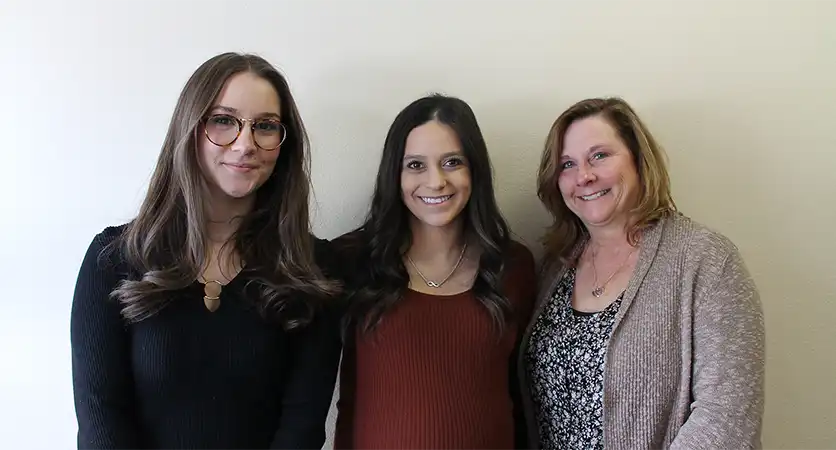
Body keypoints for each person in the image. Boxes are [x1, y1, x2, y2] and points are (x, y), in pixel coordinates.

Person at [69, 52, 342, 450]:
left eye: (265, 126)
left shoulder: (312, 268)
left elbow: (302, 427)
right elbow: (101, 418)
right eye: (224, 120)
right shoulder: (113, 259)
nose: (246, 143)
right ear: (190, 129)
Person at [519, 97, 765, 449]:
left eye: (600, 155)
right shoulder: (555, 266)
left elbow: (728, 418)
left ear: (637, 158)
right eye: (567, 164)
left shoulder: (706, 260)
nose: (584, 176)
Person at [332, 94, 537, 450]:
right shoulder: (350, 260)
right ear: (394, 174)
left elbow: (519, 396)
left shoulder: (512, 265)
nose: (436, 181)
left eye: (452, 162)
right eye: (415, 165)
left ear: (475, 169)